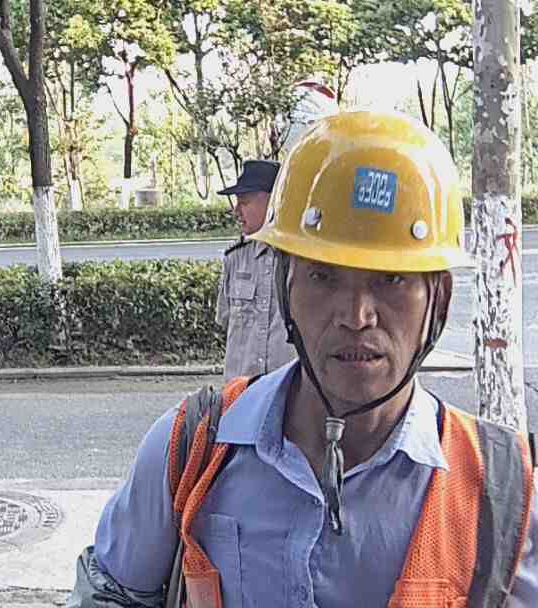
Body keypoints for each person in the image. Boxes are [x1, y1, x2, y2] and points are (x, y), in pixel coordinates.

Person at [76, 111, 537, 607]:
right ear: (284, 285)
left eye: (392, 280)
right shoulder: (192, 448)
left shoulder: (506, 495)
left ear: (439, 300)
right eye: (323, 276)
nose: (357, 316)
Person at [216, 159, 296, 380]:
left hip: (288, 388)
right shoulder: (235, 257)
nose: (236, 211)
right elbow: (225, 320)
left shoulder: (301, 261)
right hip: (241, 391)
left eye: (244, 202)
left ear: (273, 202)